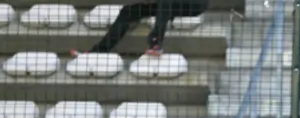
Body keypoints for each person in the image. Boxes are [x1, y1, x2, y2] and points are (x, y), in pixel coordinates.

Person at [72, 0, 208, 56]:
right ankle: (98, 53)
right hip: (167, 4)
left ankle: (156, 43)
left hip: (194, 4)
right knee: (128, 11)